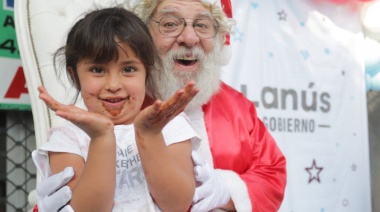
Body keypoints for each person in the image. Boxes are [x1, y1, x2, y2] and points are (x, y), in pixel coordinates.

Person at [33, 0, 287, 211]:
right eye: (170, 24)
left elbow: (273, 172)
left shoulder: (237, 107)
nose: (189, 38)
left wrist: (227, 191)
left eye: (202, 25)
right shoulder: (108, 110)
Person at [32, 7, 201, 211]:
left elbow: (177, 204)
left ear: (146, 73)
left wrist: (150, 134)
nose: (113, 84)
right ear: (75, 76)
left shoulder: (170, 126)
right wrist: (101, 137)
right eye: (97, 70)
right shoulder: (67, 138)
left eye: (128, 69)